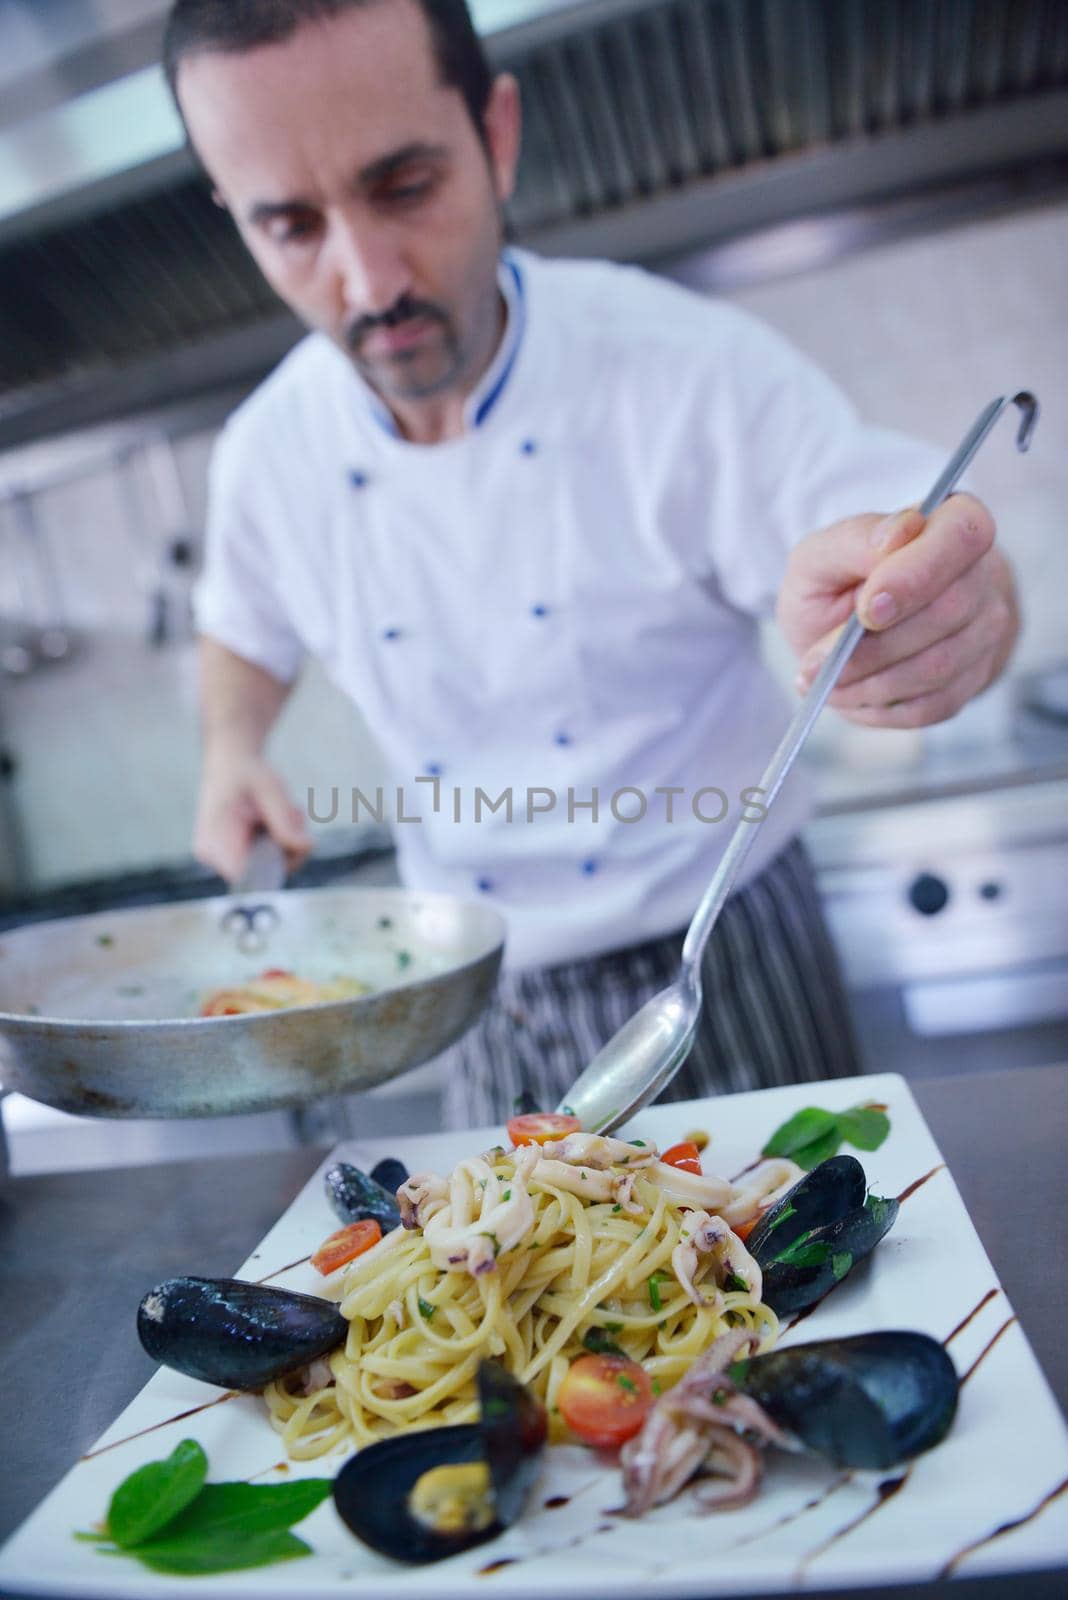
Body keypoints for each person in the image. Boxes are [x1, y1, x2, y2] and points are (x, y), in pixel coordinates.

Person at [168, 0, 1019, 1127]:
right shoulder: (267, 453)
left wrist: (954, 600)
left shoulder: (678, 369)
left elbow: (885, 518)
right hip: (478, 991)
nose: (370, 283)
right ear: (235, 215)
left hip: (729, 957)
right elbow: (243, 626)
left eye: (405, 186)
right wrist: (233, 746)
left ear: (497, 134)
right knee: (484, 1296)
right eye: (290, 226)